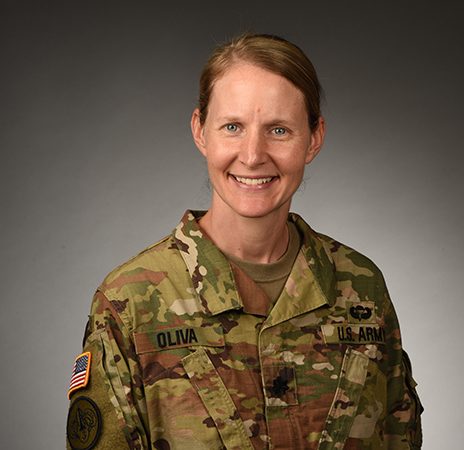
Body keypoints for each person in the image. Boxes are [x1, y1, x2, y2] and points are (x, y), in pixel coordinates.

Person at [66, 33, 423, 450]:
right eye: (232, 127)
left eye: (278, 129)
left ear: (314, 137)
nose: (253, 155)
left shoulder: (361, 285)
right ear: (201, 131)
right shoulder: (131, 303)